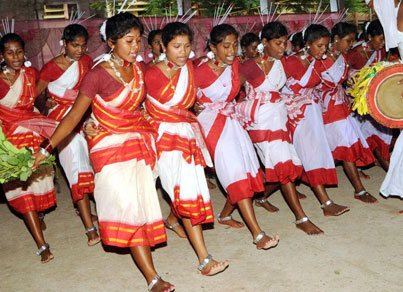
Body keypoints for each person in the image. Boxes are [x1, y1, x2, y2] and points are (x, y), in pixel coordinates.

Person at [33, 12, 174, 292]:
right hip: (109, 149)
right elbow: (73, 117)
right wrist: (46, 148)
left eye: (138, 41)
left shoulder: (139, 70)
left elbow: (148, 103)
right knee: (129, 207)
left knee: (140, 206)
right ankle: (153, 278)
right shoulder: (97, 75)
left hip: (137, 143)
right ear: (111, 42)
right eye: (128, 41)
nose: (136, 47)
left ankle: (150, 268)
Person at [144, 22, 229, 276]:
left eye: (187, 46)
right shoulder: (149, 73)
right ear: (163, 46)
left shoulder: (191, 68)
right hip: (163, 138)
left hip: (187, 134)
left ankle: (172, 219)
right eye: (176, 46)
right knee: (185, 192)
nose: (183, 52)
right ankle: (204, 259)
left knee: (187, 186)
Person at [195, 23, 281, 245]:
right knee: (234, 172)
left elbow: (251, 84)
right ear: (213, 47)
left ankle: (223, 215)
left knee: (245, 170)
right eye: (225, 46)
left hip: (231, 119)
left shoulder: (235, 65)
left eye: (234, 45)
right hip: (211, 123)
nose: (232, 50)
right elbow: (182, 95)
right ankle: (258, 234)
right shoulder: (199, 70)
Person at [239, 22, 322, 235]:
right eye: (277, 43)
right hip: (261, 121)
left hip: (279, 117)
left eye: (285, 43)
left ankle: (243, 202)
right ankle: (300, 218)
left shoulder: (281, 63)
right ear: (264, 43)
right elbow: (231, 89)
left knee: (282, 167)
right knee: (283, 167)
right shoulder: (248, 66)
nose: (282, 48)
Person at [36, 24, 100, 245]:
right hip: (60, 122)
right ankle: (89, 228)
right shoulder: (51, 68)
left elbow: (92, 90)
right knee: (77, 169)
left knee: (94, 166)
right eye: (75, 45)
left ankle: (93, 213)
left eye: (83, 46)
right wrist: (47, 101)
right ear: (64, 43)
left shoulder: (87, 63)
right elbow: (34, 95)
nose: (80, 50)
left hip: (84, 117)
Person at [282, 24, 350, 217]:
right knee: (310, 155)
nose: (323, 50)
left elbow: (336, 78)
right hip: (295, 115)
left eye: (326, 46)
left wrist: (336, 58)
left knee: (306, 157)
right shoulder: (290, 62)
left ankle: (263, 194)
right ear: (307, 44)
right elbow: (273, 86)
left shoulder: (319, 61)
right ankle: (326, 203)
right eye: (319, 46)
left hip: (312, 113)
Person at [0, 33, 57, 263]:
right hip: (9, 141)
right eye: (9, 52)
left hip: (33, 134)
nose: (15, 57)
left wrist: (48, 103)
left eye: (19, 52)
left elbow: (36, 101)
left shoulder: (31, 73)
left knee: (38, 183)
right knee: (22, 192)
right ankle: (41, 245)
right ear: (2, 55)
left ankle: (38, 213)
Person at [316, 22, 378, 203]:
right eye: (348, 41)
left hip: (341, 105)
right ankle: (359, 190)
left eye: (352, 41)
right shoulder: (322, 57)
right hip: (329, 109)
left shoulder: (340, 56)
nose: (351, 45)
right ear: (335, 39)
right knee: (344, 147)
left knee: (347, 145)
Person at [347, 19, 393, 174]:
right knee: (361, 134)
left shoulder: (381, 51)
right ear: (369, 37)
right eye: (380, 39)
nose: (382, 43)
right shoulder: (354, 53)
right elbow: (343, 77)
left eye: (385, 40)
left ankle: (384, 164)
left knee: (381, 131)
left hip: (373, 97)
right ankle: (388, 169)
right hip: (355, 100)